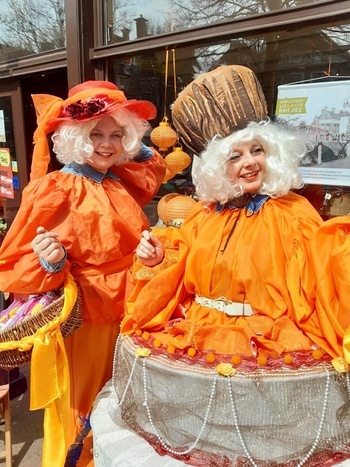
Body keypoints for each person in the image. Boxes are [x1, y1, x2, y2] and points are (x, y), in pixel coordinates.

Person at [0, 80, 166, 466]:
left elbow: (151, 169)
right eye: (95, 134)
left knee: (122, 398)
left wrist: (150, 256)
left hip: (130, 308)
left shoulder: (118, 179)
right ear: (75, 137)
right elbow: (16, 262)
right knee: (84, 402)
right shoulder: (54, 189)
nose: (107, 144)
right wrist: (52, 261)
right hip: (86, 318)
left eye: (116, 134)